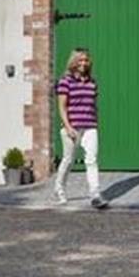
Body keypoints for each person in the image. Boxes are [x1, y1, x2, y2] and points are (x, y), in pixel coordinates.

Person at [54, 48, 106, 208]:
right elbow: (62, 106)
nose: (83, 63)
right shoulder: (65, 81)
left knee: (91, 160)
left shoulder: (92, 82)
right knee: (68, 160)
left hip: (90, 126)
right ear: (74, 61)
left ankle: (95, 195)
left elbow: (93, 105)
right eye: (80, 60)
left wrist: (95, 122)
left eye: (86, 60)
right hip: (72, 127)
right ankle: (59, 188)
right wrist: (68, 127)